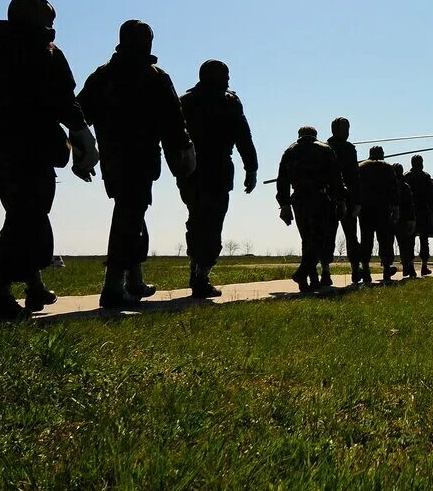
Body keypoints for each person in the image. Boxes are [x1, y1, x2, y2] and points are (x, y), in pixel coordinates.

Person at [0, 0, 98, 320]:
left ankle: (33, 285)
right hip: (33, 150)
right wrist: (82, 133)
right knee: (26, 215)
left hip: (0, 152)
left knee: (23, 214)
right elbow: (64, 99)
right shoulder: (46, 54)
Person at [78, 19, 194, 308]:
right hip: (139, 158)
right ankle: (114, 286)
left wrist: (82, 151)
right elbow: (173, 121)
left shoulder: (102, 76)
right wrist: (182, 150)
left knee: (132, 215)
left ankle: (134, 279)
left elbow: (79, 114)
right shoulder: (154, 76)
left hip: (113, 160)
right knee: (128, 218)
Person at [177, 59, 258, 298]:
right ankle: (201, 273)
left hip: (189, 171)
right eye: (226, 75)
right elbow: (244, 136)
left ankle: (198, 267)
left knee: (197, 219)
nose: (229, 80)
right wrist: (251, 168)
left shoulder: (185, 101)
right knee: (212, 223)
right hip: (216, 170)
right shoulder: (228, 102)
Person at [275, 125, 345, 291]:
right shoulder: (325, 150)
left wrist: (284, 204)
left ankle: (311, 280)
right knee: (320, 238)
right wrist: (340, 199)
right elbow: (336, 177)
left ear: (299, 135)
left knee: (306, 238)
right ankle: (303, 273)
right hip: (319, 197)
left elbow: (282, 181)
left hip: (298, 199)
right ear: (315, 135)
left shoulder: (289, 152)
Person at [326, 117, 364, 283]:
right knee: (351, 236)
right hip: (347, 199)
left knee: (328, 236)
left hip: (328, 198)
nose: (348, 132)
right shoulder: (349, 149)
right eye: (346, 129)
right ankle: (355, 270)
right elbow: (354, 178)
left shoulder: (324, 147)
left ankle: (325, 272)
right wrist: (357, 202)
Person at [358, 146, 400, 283]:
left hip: (365, 209)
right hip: (383, 209)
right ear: (382, 154)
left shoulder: (361, 167)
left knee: (366, 239)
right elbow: (394, 189)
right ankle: (386, 268)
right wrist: (395, 208)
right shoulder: (387, 168)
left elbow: (356, 187)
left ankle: (365, 269)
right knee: (384, 239)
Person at [405, 154, 433, 275]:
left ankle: (410, 266)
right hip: (423, 213)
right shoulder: (425, 177)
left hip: (409, 213)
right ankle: (423, 266)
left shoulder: (406, 177)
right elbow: (431, 196)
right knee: (424, 239)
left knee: (410, 240)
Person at [393, 162, 418, 278]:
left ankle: (389, 268)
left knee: (390, 243)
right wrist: (412, 220)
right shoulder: (405, 186)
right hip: (404, 220)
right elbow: (410, 205)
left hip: (392, 220)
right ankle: (409, 267)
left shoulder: (390, 186)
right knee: (406, 245)